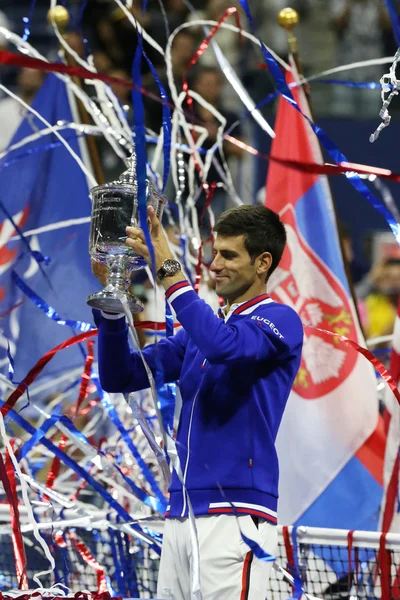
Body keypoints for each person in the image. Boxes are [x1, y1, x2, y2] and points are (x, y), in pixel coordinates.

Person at [93, 204, 303, 599]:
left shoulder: (280, 320)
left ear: (262, 263)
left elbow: (224, 347)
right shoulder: (199, 334)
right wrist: (112, 307)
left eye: (229, 255)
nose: (215, 265)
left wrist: (170, 268)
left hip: (237, 515)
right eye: (214, 253)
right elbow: (120, 376)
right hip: (181, 512)